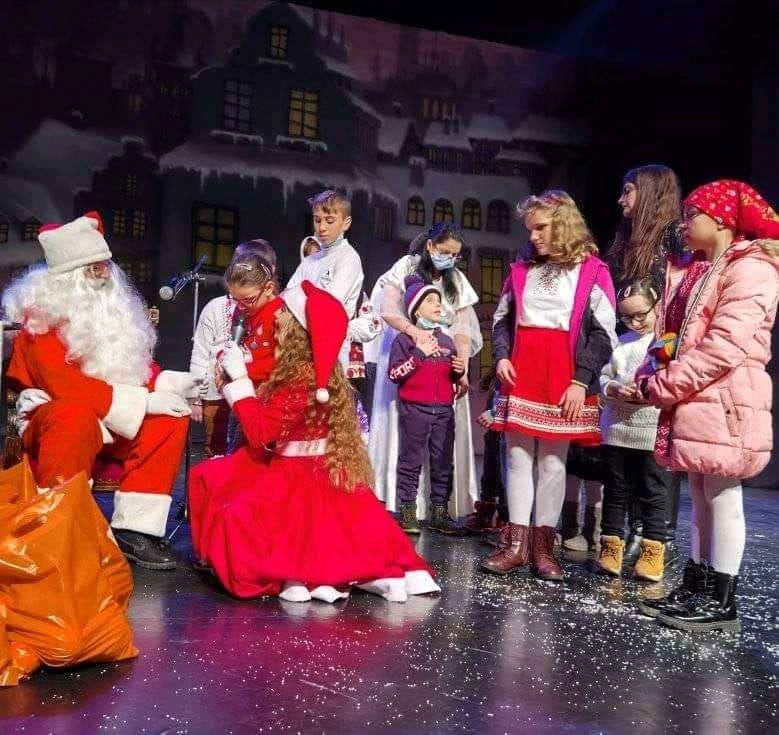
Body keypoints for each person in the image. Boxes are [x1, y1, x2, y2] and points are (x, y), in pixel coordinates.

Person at [188, 280, 440, 603]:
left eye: (284, 315)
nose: (276, 317)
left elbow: (261, 433)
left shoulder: (302, 378)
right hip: (309, 466)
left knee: (222, 497)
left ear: (297, 330)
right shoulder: (313, 369)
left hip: (293, 473)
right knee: (214, 475)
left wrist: (236, 383)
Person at [2, 212, 199, 570]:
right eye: (94, 268)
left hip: (110, 417)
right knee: (74, 415)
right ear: (69, 277)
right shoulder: (40, 319)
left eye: (105, 265)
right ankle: (59, 524)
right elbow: (66, 388)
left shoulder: (112, 312)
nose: (105, 273)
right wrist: (143, 402)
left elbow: (130, 367)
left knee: (171, 417)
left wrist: (166, 383)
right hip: (53, 418)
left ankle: (135, 530)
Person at [635, 180, 779, 632]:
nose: (683, 223)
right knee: (699, 491)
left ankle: (722, 597)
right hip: (698, 396)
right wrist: (648, 373)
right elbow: (672, 335)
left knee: (722, 493)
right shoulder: (700, 269)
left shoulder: (752, 268)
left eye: (691, 214)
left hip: (726, 396)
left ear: (720, 220)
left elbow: (724, 347)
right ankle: (697, 582)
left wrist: (665, 385)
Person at [481, 190, 617, 581]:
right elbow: (502, 320)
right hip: (522, 368)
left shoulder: (592, 270)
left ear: (564, 224)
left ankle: (543, 548)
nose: (534, 236)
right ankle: (516, 545)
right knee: (516, 458)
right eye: (531, 229)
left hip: (564, 373)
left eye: (541, 228)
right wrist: (501, 356)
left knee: (554, 463)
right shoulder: (522, 268)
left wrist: (581, 380)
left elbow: (604, 332)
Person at [369, 222, 482, 525]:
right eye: (445, 252)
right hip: (409, 348)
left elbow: (462, 328)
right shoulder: (407, 266)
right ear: (431, 246)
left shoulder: (455, 279)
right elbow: (389, 309)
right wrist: (415, 334)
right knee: (408, 436)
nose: (450, 259)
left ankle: (439, 507)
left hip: (442, 361)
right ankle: (404, 503)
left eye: (456, 255)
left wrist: (462, 367)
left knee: (441, 444)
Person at [607, 163, 686, 567]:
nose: (621, 199)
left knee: (658, 456)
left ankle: (660, 537)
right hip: (629, 346)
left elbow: (679, 306)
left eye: (629, 190)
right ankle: (634, 530)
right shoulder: (625, 240)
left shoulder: (674, 236)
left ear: (651, 192)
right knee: (630, 460)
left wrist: (658, 364)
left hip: (665, 346)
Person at [597, 278, 673, 582]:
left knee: (652, 491)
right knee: (615, 489)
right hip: (616, 427)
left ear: (656, 306)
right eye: (627, 317)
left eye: (641, 314)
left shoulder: (666, 341)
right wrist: (614, 388)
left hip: (650, 428)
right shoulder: (620, 342)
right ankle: (610, 547)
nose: (635, 322)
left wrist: (649, 390)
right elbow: (605, 378)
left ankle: (653, 551)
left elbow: (668, 378)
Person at [388, 275, 466, 534]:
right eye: (430, 301)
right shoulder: (404, 340)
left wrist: (458, 371)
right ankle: (408, 511)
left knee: (443, 462)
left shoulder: (447, 341)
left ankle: (439, 513)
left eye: (438, 300)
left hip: (444, 410)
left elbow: (450, 377)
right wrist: (419, 354)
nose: (437, 305)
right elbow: (394, 374)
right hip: (415, 410)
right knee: (410, 461)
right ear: (416, 309)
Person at [190, 240, 278, 457]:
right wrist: (223, 361)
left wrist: (238, 371)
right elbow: (208, 350)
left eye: (246, 300)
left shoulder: (279, 315)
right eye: (235, 299)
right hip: (234, 395)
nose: (239, 306)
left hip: (264, 401)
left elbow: (278, 364)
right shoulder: (242, 310)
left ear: (268, 286)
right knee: (224, 453)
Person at [286, 190, 364, 370]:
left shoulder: (349, 258)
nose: (321, 227)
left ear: (346, 223)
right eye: (317, 220)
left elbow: (327, 305)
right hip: (300, 347)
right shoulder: (309, 261)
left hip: (331, 350)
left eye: (329, 221)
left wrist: (299, 301)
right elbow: (287, 298)